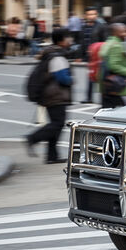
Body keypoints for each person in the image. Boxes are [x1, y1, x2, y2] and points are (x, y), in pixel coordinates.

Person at [26, 29, 72, 164]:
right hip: (55, 95)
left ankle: (52, 156)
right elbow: (63, 78)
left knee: (55, 125)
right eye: (68, 38)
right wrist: (71, 79)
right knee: (57, 124)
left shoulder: (52, 54)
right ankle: (33, 138)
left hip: (51, 95)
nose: (70, 41)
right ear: (61, 41)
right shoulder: (57, 57)